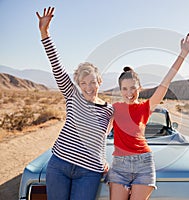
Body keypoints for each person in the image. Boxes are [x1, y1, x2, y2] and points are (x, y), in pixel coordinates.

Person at [36, 7, 114, 200]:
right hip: (59, 164)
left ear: (100, 82)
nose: (88, 87)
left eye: (93, 82)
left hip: (89, 171)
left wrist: (103, 159)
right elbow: (57, 66)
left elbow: (102, 137)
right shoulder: (73, 95)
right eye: (84, 83)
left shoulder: (109, 110)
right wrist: (45, 33)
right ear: (78, 84)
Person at [107, 33, 189, 200]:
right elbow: (101, 128)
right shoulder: (114, 108)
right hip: (119, 166)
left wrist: (183, 54)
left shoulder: (146, 107)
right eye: (124, 89)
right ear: (120, 90)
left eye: (133, 88)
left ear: (139, 88)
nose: (129, 93)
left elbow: (165, 83)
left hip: (144, 165)